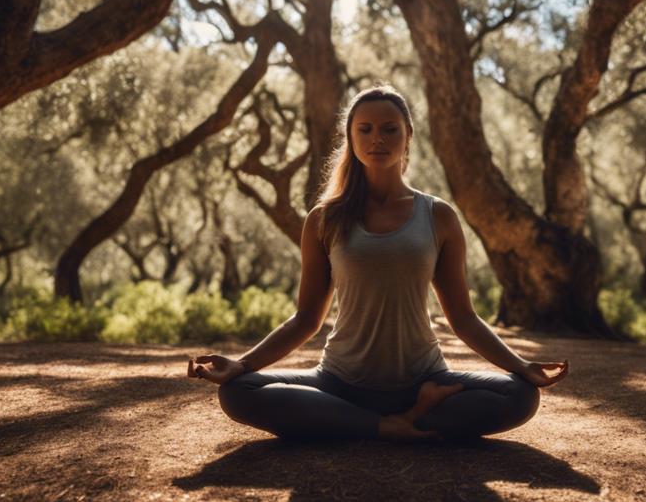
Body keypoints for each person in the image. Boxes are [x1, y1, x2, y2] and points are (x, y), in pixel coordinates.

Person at [188, 85, 568, 441]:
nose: (377, 139)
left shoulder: (438, 216)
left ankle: (378, 418)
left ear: (408, 138)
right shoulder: (324, 220)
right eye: (365, 129)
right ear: (350, 138)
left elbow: (464, 318)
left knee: (520, 396)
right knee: (239, 392)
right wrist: (241, 364)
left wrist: (522, 367)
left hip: (424, 377)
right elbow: (306, 319)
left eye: (390, 129)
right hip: (338, 381)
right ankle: (390, 424)